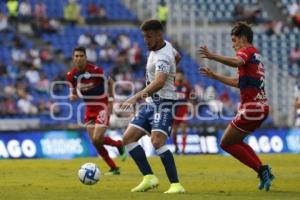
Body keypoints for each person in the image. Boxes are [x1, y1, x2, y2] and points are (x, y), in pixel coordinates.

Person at [198, 21, 274, 191]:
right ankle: (263, 170)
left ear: (243, 38)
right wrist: (215, 76)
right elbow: (239, 82)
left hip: (252, 108)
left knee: (225, 143)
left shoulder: (246, 51)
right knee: (236, 140)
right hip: (261, 107)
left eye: (234, 40)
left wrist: (213, 56)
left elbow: (237, 61)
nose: (233, 45)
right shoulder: (256, 56)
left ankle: (261, 170)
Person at [120, 19, 185, 193]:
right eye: (144, 37)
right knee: (128, 138)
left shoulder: (163, 55)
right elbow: (177, 57)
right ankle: (149, 177)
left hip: (164, 102)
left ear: (159, 34)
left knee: (157, 142)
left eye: (149, 37)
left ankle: (176, 185)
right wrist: (171, 70)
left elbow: (160, 82)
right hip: (150, 103)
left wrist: (135, 98)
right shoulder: (166, 47)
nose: (146, 41)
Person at [66, 47, 126, 175]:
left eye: (81, 56)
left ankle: (119, 144)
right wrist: (73, 96)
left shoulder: (95, 70)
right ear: (73, 58)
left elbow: (111, 82)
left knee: (97, 138)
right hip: (89, 109)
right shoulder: (71, 75)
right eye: (76, 56)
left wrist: (110, 101)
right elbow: (73, 92)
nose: (79, 58)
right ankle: (114, 167)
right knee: (95, 142)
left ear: (86, 58)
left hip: (101, 106)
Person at [172, 69, 192, 154]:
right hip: (174, 110)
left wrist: (191, 106)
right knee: (174, 131)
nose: (180, 77)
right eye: (178, 75)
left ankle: (183, 150)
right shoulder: (171, 86)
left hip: (184, 109)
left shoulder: (186, 86)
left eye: (181, 75)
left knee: (184, 129)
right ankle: (176, 148)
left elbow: (190, 98)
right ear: (175, 76)